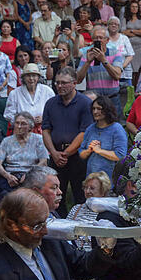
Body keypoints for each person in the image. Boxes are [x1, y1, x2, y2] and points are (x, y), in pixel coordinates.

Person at [42, 67, 93, 217]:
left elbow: (84, 132)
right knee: (55, 194)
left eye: (64, 83)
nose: (59, 86)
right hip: (56, 153)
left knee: (80, 193)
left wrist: (66, 153)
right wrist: (54, 153)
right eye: (57, 83)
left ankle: (81, 226)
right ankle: (58, 224)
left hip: (77, 156)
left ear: (74, 83)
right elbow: (45, 130)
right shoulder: (50, 103)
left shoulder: (84, 103)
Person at [0, 112, 49, 198]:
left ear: (30, 127)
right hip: (10, 176)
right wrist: (7, 176)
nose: (19, 127)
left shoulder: (38, 140)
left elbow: (44, 161)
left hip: (31, 176)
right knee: (4, 195)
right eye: (17, 123)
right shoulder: (6, 141)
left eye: (23, 124)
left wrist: (29, 175)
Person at [79, 95, 128, 178]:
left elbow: (120, 156)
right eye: (93, 109)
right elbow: (81, 153)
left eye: (99, 109)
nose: (95, 112)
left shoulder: (117, 129)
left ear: (107, 109)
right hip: (91, 177)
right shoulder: (90, 129)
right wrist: (89, 150)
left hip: (109, 179)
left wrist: (99, 151)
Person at [3, 63, 54, 129]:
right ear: (23, 78)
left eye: (34, 75)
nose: (31, 78)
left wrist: (44, 118)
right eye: (28, 76)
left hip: (44, 129)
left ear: (38, 77)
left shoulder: (47, 91)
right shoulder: (14, 93)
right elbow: (8, 115)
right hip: (22, 131)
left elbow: (54, 111)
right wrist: (24, 121)